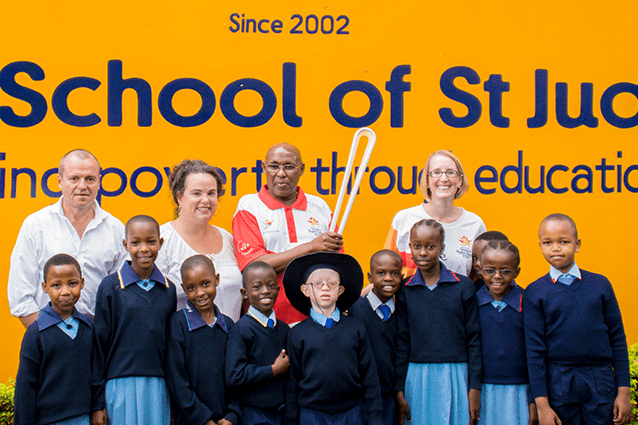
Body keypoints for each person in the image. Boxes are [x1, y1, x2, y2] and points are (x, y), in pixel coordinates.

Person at [524, 214, 631, 425]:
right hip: (559, 382)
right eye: (548, 243)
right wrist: (543, 405)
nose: (555, 248)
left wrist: (623, 393)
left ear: (577, 244)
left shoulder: (600, 285)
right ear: (540, 246)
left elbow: (617, 339)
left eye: (563, 242)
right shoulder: (535, 292)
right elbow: (534, 351)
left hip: (601, 382)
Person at [8, 149, 127, 326]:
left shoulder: (116, 229)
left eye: (90, 179)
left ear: (99, 182)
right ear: (59, 181)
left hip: (98, 342)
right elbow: (21, 298)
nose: (82, 186)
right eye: (74, 178)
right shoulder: (35, 226)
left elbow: (122, 296)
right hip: (48, 340)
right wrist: (49, 338)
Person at [232, 143, 343, 324]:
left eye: (289, 167)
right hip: (268, 321)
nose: (281, 173)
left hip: (317, 319)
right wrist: (311, 247)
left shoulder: (320, 207)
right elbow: (254, 268)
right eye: (274, 166)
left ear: (301, 169)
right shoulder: (249, 206)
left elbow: (336, 266)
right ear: (264, 168)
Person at [92, 215, 177, 425]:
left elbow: (170, 347)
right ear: (125, 245)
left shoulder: (168, 290)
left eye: (151, 241)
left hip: (158, 386)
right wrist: (97, 403)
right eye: (135, 242)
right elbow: (99, 346)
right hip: (118, 385)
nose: (144, 249)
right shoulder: (110, 287)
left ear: (161, 243)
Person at [395, 219, 481, 425]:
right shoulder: (405, 289)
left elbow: (474, 340)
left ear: (442, 248)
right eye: (417, 246)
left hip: (456, 374)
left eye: (430, 247)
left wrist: (474, 387)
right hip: (417, 376)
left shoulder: (463, 286)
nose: (423, 252)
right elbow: (402, 341)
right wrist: (399, 388)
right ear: (410, 248)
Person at [283, 252, 383, 425]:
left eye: (332, 283)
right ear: (305, 290)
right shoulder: (297, 334)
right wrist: (291, 419)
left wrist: (375, 416)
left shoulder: (356, 329)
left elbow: (369, 376)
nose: (325, 288)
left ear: (340, 290)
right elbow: (292, 383)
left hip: (351, 412)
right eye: (318, 284)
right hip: (311, 414)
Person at [14, 253, 97, 425]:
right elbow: (25, 387)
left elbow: (96, 373)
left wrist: (98, 406)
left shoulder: (88, 328)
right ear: (45, 287)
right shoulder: (36, 333)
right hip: (47, 420)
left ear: (82, 283)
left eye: (72, 283)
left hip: (83, 418)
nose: (65, 291)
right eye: (56, 285)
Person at [156, 159, 243, 319]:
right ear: (179, 197)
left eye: (211, 193)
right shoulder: (161, 240)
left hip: (232, 340)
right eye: (196, 193)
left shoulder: (227, 238)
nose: (205, 200)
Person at [384, 150, 486, 278]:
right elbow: (385, 271)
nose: (444, 179)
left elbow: (480, 278)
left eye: (450, 172)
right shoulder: (404, 219)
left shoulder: (475, 224)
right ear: (427, 180)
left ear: (460, 180)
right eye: (436, 172)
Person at [166, 255, 241, 425]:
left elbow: (236, 375)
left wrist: (232, 415)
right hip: (191, 420)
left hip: (225, 420)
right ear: (184, 289)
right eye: (191, 287)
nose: (200, 293)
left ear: (217, 279)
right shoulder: (178, 324)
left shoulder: (228, 325)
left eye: (205, 284)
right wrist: (204, 419)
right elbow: (177, 382)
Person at [476, 241, 537, 425]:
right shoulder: (471, 303)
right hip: (483, 390)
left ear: (516, 272)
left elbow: (536, 352)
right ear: (480, 270)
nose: (497, 276)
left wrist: (534, 398)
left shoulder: (528, 302)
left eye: (505, 271)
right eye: (489, 270)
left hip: (520, 391)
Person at [226, 261, 290, 425]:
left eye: (270, 285)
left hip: (281, 413)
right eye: (257, 287)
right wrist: (272, 370)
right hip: (253, 414)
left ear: (278, 289)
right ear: (244, 293)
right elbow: (235, 376)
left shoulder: (283, 329)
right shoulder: (241, 329)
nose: (265, 291)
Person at [349, 250, 404, 425]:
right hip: (359, 396)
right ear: (370, 277)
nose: (388, 278)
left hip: (389, 396)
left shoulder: (403, 312)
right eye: (381, 273)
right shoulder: (353, 310)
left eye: (394, 273)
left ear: (402, 276)